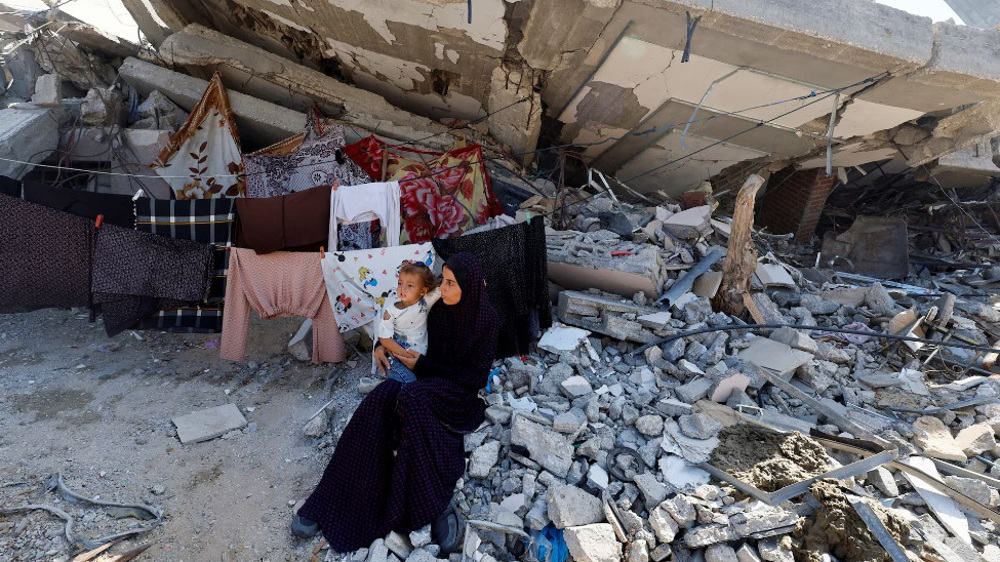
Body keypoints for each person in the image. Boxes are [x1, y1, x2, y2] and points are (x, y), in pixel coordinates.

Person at [293, 253, 499, 552]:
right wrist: (380, 345)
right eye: (443, 279)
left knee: (412, 402)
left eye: (452, 283)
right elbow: (403, 324)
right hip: (424, 376)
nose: (443, 288)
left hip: (458, 393)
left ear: (470, 288)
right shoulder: (438, 308)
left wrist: (422, 366)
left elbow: (475, 377)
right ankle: (330, 494)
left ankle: (435, 503)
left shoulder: (486, 320)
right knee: (378, 402)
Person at [376, 262, 440, 384]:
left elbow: (443, 289)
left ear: (423, 291)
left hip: (420, 358)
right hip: (397, 359)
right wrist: (405, 355)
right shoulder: (391, 312)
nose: (402, 288)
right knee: (409, 383)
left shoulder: (425, 302)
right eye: (400, 283)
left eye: (410, 285)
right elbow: (385, 339)